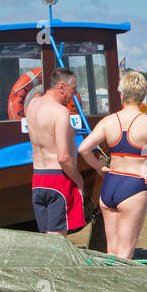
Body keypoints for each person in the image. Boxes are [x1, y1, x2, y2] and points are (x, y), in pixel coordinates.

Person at [77, 69, 147, 259]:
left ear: (121, 95)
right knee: (125, 254)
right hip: (134, 184)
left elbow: (83, 149)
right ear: (143, 95)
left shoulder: (108, 121)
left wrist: (99, 168)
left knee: (111, 252)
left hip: (111, 183)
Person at [27, 67, 101, 236]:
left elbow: (45, 131)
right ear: (61, 87)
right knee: (57, 237)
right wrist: (79, 180)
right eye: (73, 88)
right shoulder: (60, 112)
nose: (74, 93)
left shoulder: (33, 104)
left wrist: (69, 130)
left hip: (38, 177)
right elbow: (63, 157)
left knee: (46, 235)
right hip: (58, 178)